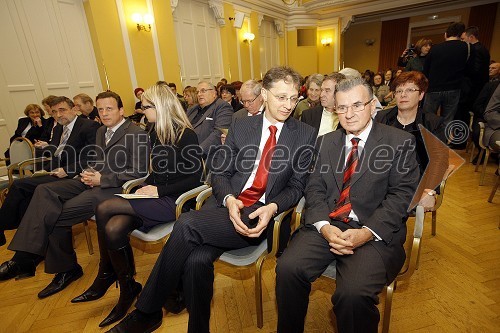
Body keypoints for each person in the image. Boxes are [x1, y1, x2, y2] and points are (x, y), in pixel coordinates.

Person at [107, 66, 317, 333]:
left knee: (186, 224)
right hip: (224, 208)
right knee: (196, 261)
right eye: (280, 97)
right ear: (264, 94)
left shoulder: (304, 134)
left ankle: (147, 310)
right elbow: (220, 171)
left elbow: (297, 185)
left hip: (260, 215)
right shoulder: (242, 125)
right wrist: (229, 198)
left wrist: (272, 207)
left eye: (293, 98)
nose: (288, 105)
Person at [275, 77, 420, 333]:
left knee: (352, 295)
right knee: (287, 269)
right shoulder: (326, 142)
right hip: (327, 225)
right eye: (342, 107)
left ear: (372, 105)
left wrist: (366, 233)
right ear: (335, 110)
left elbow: (402, 196)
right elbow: (315, 188)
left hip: (373, 233)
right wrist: (322, 226)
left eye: (357, 105)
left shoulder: (399, 142)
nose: (349, 114)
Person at [71, 83, 203, 328]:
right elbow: (157, 170)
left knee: (104, 207)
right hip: (154, 197)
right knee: (113, 228)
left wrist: (158, 189)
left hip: (174, 201)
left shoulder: (186, 134)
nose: (142, 111)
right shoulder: (153, 130)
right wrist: (147, 185)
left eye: (146, 107)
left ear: (160, 107)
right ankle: (127, 287)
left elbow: (194, 177)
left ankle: (108, 274)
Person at [0, 92, 149, 298]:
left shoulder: (136, 133)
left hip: (113, 188)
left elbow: (139, 172)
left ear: (121, 110)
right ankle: (27, 257)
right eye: (101, 109)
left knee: (55, 214)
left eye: (110, 109)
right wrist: (86, 172)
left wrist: (102, 180)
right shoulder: (101, 132)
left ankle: (62, 268)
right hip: (91, 180)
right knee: (44, 190)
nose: (104, 113)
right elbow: (97, 160)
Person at [0, 96, 100, 246]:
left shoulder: (89, 126)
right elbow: (56, 153)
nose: (58, 115)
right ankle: (32, 240)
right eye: (54, 112)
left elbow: (93, 157)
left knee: (19, 186)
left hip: (73, 175)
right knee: (26, 193)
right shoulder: (59, 127)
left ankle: (10, 230)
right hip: (55, 172)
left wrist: (67, 170)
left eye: (62, 110)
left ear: (74, 109)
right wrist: (45, 170)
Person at [375, 71, 448, 211]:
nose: (403, 94)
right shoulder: (381, 118)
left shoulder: (433, 123)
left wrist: (429, 190)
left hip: (416, 183)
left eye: (410, 90)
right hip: (382, 180)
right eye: (399, 90)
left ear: (421, 95)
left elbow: (440, 160)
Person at [423, 22, 471, 124]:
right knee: (448, 120)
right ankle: (442, 139)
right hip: (453, 88)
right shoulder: (466, 47)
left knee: (428, 117)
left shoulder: (435, 48)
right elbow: (469, 69)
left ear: (445, 34)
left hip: (433, 88)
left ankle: (426, 138)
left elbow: (426, 69)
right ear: (461, 34)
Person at [186, 81, 233, 156]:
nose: (199, 94)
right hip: (187, 151)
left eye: (203, 91)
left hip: (208, 155)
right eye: (197, 92)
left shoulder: (223, 107)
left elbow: (219, 133)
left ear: (214, 93)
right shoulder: (192, 109)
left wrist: (198, 151)